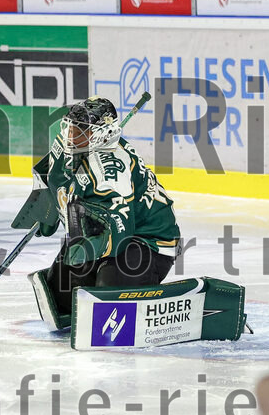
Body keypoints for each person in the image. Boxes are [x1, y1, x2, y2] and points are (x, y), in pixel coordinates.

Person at [24, 97, 181, 330]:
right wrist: (47, 207)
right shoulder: (68, 145)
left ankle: (139, 297)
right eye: (70, 127)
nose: (71, 136)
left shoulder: (110, 171)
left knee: (109, 293)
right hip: (105, 234)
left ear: (103, 134)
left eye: (81, 130)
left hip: (149, 242)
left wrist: (87, 227)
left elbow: (120, 229)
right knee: (63, 292)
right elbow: (52, 177)